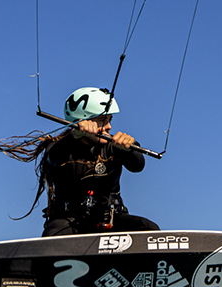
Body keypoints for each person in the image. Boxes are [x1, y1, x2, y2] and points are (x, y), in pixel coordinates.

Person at [37, 87, 159, 237]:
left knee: (148, 228)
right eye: (102, 120)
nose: (109, 126)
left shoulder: (115, 145)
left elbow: (137, 166)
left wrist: (130, 149)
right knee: (53, 235)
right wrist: (74, 136)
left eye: (110, 120)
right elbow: (52, 158)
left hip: (111, 218)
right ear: (82, 121)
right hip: (69, 221)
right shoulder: (61, 148)